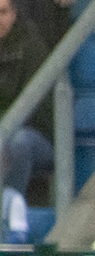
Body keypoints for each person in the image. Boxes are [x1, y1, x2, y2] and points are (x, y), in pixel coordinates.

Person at [0, 0, 54, 197]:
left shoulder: (31, 45)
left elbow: (36, 108)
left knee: (17, 142)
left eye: (2, 12)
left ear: (14, 14)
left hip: (36, 135)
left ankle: (9, 207)